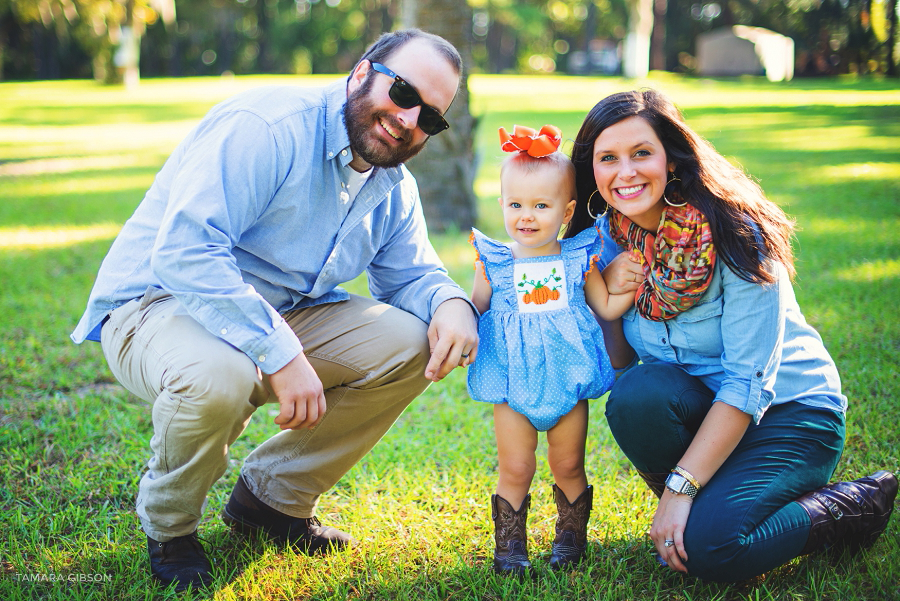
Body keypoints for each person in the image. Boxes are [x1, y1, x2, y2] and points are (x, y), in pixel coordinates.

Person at [70, 29, 479, 592]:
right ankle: (170, 530)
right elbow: (186, 252)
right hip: (159, 304)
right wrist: (280, 353)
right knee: (220, 374)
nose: (409, 120)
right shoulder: (267, 127)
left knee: (411, 342)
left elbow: (411, 274)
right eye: (404, 93)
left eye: (430, 117)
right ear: (362, 72)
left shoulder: (393, 185)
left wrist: (450, 302)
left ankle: (271, 500)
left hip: (280, 315)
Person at [565, 89, 897, 582]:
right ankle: (697, 514)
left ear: (672, 160)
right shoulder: (606, 238)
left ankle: (850, 506)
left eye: (641, 153)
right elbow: (619, 365)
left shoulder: (739, 236)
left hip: (790, 412)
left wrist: (679, 488)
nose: (626, 172)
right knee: (636, 396)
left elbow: (747, 383)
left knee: (714, 552)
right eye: (607, 158)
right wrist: (605, 298)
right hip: (704, 409)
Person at [467, 125, 632, 575]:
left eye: (542, 205)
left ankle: (570, 538)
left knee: (567, 465)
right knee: (516, 467)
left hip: (567, 377)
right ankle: (510, 547)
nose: (527, 215)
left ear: (567, 209)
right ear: (502, 204)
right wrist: (453, 325)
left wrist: (631, 281)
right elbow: (474, 309)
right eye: (516, 204)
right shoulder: (495, 261)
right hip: (512, 385)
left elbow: (606, 306)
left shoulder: (579, 258)